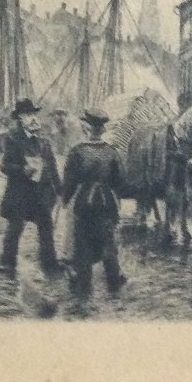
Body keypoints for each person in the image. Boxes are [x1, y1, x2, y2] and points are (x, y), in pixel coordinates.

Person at [61, 108, 127, 296]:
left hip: (84, 205)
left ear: (87, 128)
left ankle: (84, 293)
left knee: (83, 248)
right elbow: (120, 181)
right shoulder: (112, 152)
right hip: (106, 205)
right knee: (109, 247)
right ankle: (115, 288)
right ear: (102, 129)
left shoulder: (77, 152)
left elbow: (69, 183)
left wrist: (65, 200)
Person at [0, 98, 62, 278]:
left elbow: (52, 166)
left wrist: (60, 190)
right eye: (27, 114)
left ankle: (50, 265)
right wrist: (22, 169)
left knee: (46, 227)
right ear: (20, 118)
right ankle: (7, 263)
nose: (33, 118)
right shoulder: (13, 138)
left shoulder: (43, 138)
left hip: (40, 192)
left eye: (34, 114)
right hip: (20, 192)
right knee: (15, 227)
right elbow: (4, 166)